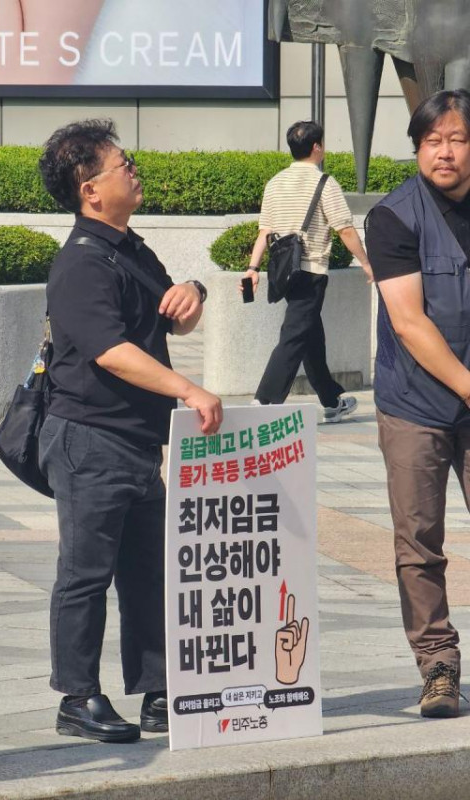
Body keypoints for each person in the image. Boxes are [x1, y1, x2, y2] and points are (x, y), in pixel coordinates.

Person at [37, 118, 222, 743]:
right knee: (86, 572)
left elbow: (170, 318)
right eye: (125, 165)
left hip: (138, 441)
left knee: (148, 570)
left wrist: (193, 292)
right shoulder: (81, 264)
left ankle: (158, 691)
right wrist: (189, 389)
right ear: (90, 188)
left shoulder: (128, 246)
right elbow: (111, 352)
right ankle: (77, 697)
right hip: (89, 437)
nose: (135, 170)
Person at [365, 88, 470, 718]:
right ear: (417, 149)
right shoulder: (393, 217)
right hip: (417, 403)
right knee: (418, 541)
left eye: (457, 138)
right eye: (433, 141)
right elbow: (408, 321)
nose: (446, 152)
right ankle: (438, 667)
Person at [243, 120, 372, 421]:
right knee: (294, 334)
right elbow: (344, 229)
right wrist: (366, 262)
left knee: (310, 335)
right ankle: (264, 402)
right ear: (316, 148)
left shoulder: (274, 182)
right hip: (311, 270)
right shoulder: (325, 183)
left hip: (283, 271)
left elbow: (264, 231)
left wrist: (252, 268)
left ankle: (331, 400)